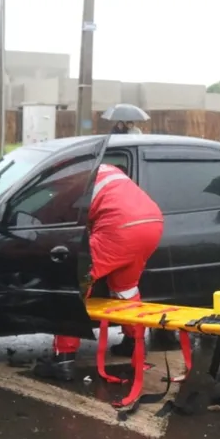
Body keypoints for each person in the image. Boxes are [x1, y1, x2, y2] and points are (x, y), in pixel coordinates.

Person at [33, 163, 165, 384]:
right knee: (125, 288)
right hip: (152, 222)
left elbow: (59, 218)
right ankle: (134, 344)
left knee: (74, 284)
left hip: (120, 227)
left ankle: (63, 358)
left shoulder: (71, 178)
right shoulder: (108, 169)